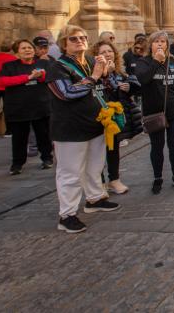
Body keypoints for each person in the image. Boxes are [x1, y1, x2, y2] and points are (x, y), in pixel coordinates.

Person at [46, 25, 120, 233]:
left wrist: (105, 74)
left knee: (94, 166)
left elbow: (101, 89)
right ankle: (67, 214)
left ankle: (94, 199)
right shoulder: (57, 68)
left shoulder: (88, 62)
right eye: (74, 39)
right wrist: (95, 76)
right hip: (71, 129)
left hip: (94, 125)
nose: (80, 41)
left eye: (83, 37)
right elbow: (66, 93)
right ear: (64, 43)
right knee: (70, 173)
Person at [135, 31, 174, 194]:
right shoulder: (143, 62)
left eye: (163, 42)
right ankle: (157, 177)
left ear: (167, 45)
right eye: (156, 42)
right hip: (154, 111)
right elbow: (143, 80)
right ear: (150, 45)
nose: (160, 44)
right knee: (157, 146)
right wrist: (155, 61)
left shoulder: (173, 62)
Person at [91, 40, 141, 194]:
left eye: (110, 51)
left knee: (113, 150)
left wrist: (129, 87)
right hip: (98, 116)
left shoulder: (119, 71)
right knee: (97, 152)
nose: (107, 54)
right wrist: (105, 74)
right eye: (103, 52)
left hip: (116, 117)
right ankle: (99, 183)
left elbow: (134, 85)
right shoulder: (93, 72)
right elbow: (95, 89)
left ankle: (114, 180)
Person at [0, 39, 53, 174]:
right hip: (18, 108)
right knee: (19, 138)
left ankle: (47, 158)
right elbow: (3, 81)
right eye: (23, 48)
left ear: (34, 50)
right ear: (17, 52)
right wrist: (28, 77)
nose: (27, 50)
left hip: (40, 106)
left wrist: (41, 76)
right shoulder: (9, 66)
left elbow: (51, 78)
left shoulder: (43, 63)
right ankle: (17, 164)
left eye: (30, 47)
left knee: (43, 135)